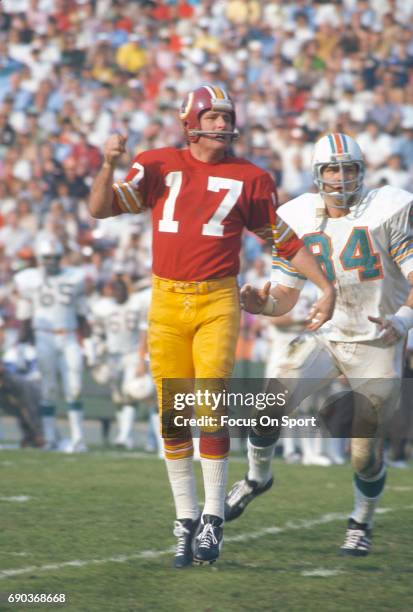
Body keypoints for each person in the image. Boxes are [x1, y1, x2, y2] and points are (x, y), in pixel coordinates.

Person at [88, 85, 335, 568]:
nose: (222, 124)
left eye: (227, 116)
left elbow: (284, 240)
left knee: (210, 403)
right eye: (214, 115)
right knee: (172, 413)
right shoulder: (157, 163)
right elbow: (99, 208)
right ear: (191, 119)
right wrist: (108, 165)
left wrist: (323, 286)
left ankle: (212, 518)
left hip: (218, 298)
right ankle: (184, 519)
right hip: (166, 297)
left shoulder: (251, 177)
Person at [225, 132, 413, 556]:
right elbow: (286, 295)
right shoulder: (296, 216)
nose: (341, 177)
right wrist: (263, 304)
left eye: (349, 168)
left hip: (379, 338)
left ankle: (361, 520)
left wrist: (403, 319)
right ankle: (257, 478)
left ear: (362, 171)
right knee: (268, 405)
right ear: (317, 174)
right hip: (328, 333)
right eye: (332, 168)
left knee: (363, 455)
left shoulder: (390, 207)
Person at [14, 238, 91, 453]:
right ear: (39, 259)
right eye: (46, 258)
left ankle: (78, 438)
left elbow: (82, 314)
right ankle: (48, 438)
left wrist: (89, 342)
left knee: (74, 388)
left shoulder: (73, 277)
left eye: (54, 258)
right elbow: (25, 317)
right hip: (43, 336)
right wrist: (21, 345)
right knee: (48, 389)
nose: (50, 262)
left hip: (68, 336)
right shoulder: (28, 280)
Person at [88, 277, 152, 450]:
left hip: (131, 354)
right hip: (112, 356)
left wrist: (142, 359)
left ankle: (125, 435)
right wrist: (97, 352)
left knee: (129, 392)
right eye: (115, 290)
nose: (118, 294)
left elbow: (145, 329)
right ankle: (125, 434)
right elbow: (97, 332)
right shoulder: (103, 307)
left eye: (121, 290)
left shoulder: (137, 303)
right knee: (118, 397)